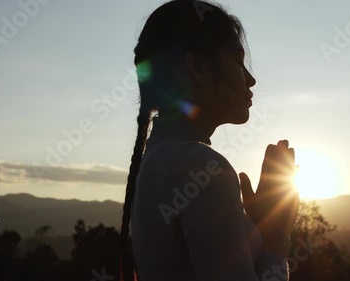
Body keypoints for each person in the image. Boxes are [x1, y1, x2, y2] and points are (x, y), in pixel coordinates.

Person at [119, 1, 300, 280]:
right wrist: (276, 239)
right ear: (199, 68)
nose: (250, 80)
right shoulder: (202, 168)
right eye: (239, 62)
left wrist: (259, 224)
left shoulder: (155, 160)